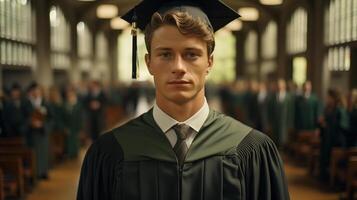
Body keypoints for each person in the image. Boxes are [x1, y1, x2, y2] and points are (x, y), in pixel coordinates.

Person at [77, 1, 290, 199]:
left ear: (210, 62)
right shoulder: (110, 153)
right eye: (166, 54)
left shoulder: (251, 150)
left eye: (191, 54)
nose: (178, 67)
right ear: (149, 63)